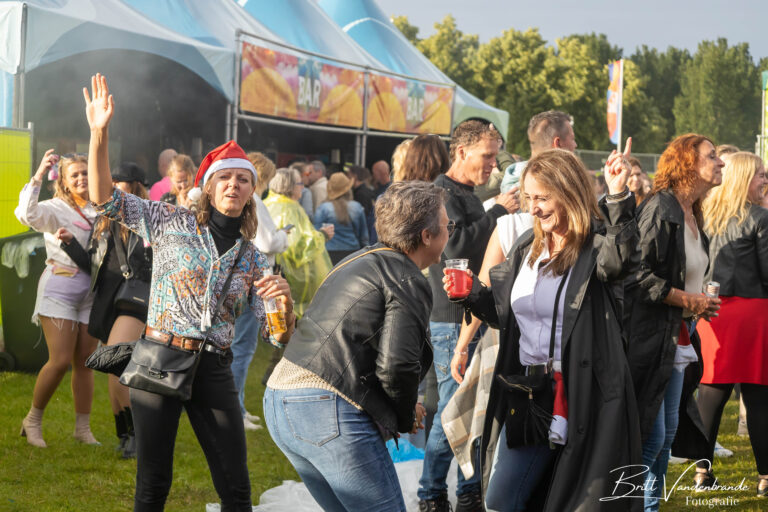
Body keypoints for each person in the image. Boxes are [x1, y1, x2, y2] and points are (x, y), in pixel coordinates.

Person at [83, 74, 294, 510]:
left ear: (252, 192)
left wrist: (285, 305)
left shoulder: (253, 259)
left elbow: (279, 336)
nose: (233, 185)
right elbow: (105, 199)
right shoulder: (170, 222)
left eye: (243, 179)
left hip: (214, 369)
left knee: (236, 488)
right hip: (160, 360)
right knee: (153, 483)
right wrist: (99, 134)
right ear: (209, 187)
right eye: (225, 178)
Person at [449, 147, 642, 511]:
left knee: (575, 500)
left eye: (541, 198)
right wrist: (472, 293)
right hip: (531, 395)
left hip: (585, 395)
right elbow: (505, 314)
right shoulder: (528, 245)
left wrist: (618, 196)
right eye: (528, 198)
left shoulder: (597, 244)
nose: (532, 208)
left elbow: (619, 263)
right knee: (502, 499)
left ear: (568, 192)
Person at [263, 181, 448, 512]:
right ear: (426, 235)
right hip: (321, 405)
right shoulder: (407, 277)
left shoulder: (359, 259)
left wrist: (404, 408)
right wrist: (406, 415)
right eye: (448, 226)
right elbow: (397, 366)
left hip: (280, 400)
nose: (449, 233)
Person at [418, 120, 520, 512]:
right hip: (450, 319)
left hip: (472, 314)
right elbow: (455, 247)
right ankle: (430, 494)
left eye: (496, 156)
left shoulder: (468, 193)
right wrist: (499, 210)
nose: (493, 164)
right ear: (461, 152)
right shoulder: (441, 192)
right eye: (487, 156)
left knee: (473, 408)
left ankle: (468, 492)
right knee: (454, 409)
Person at [624, 133, 723, 511]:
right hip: (650, 336)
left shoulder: (691, 209)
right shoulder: (661, 208)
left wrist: (697, 305)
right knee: (650, 438)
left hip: (678, 333)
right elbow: (637, 273)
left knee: (665, 438)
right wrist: (687, 300)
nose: (720, 162)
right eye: (711, 156)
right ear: (687, 164)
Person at [15, 150, 101, 448]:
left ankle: (82, 429)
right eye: (74, 174)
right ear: (63, 181)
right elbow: (26, 215)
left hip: (92, 293)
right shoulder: (55, 207)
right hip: (60, 288)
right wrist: (39, 174)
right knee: (60, 360)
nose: (81, 178)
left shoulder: (101, 207)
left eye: (85, 172)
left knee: (85, 363)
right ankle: (33, 420)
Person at [696, 152, 768, 496]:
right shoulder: (760, 217)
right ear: (743, 178)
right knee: (759, 398)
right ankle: (766, 477)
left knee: (710, 394)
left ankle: (701, 473)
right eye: (760, 175)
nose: (765, 180)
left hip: (712, 314)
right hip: (752, 315)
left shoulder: (706, 215)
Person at [84, 162, 152, 458]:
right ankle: (124, 433)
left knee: (116, 362)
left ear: (135, 186)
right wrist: (69, 245)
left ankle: (139, 435)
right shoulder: (103, 218)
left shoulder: (146, 217)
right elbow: (92, 264)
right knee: (111, 368)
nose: (112, 185)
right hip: (108, 299)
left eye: (119, 181)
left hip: (134, 298)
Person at [231, 151, 289, 431]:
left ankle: (238, 407)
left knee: (240, 346)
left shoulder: (246, 201)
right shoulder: (255, 201)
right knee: (242, 347)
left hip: (245, 279)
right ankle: (235, 411)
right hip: (256, 281)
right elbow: (267, 242)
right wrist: (284, 235)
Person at [264, 168, 333, 317]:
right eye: (299, 183)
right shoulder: (290, 209)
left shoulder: (267, 204)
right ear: (289, 186)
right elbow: (296, 248)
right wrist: (322, 235)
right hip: (293, 280)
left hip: (272, 273)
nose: (302, 187)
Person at [500, 110, 577, 193]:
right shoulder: (554, 189)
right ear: (557, 143)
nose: (575, 145)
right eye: (572, 139)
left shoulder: (512, 180)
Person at [314, 173, 369, 265]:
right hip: (352, 252)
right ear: (348, 189)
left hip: (329, 253)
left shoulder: (323, 208)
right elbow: (363, 236)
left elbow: (317, 233)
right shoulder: (357, 207)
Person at [349, 165, 377, 242]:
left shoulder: (360, 194)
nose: (347, 179)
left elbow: (364, 216)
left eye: (349, 175)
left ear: (354, 177)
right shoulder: (368, 191)